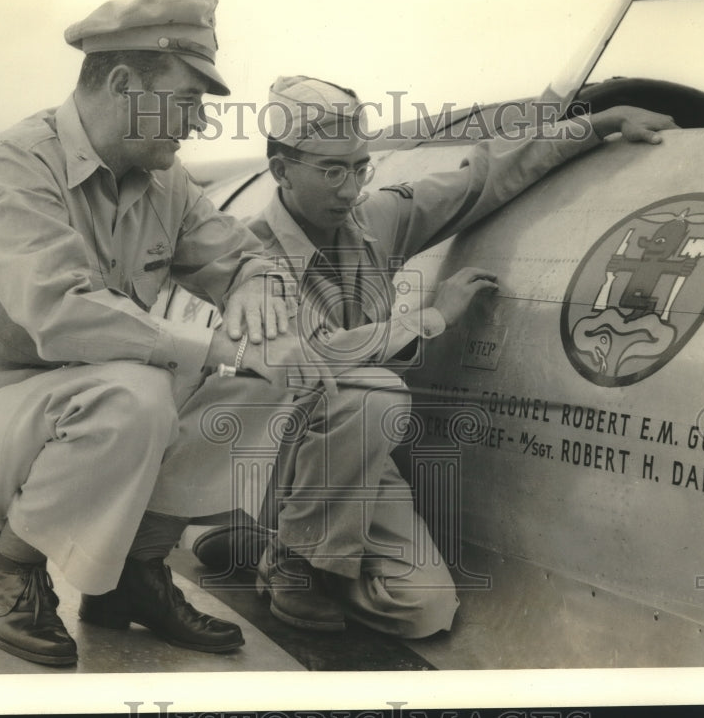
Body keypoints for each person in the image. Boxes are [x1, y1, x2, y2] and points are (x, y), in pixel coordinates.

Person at [188, 76, 678, 638]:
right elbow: (317, 353)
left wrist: (600, 123)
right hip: (270, 448)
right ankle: (294, 559)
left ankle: (274, 549)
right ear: (281, 170)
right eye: (331, 171)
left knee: (422, 609)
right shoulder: (247, 254)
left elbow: (481, 179)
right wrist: (432, 317)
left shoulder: (372, 222)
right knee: (373, 392)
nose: (350, 190)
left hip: (348, 459)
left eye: (360, 168)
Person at [0, 0, 306, 667]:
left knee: (272, 374)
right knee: (136, 391)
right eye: (188, 99)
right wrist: (215, 346)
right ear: (123, 85)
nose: (201, 121)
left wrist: (255, 286)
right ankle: (10, 572)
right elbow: (63, 312)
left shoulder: (165, 184)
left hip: (88, 411)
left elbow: (244, 256)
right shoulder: (16, 163)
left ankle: (132, 576)